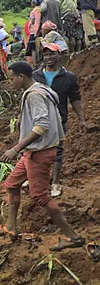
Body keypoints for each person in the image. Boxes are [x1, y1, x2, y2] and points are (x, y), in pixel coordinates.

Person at [0, 61, 84, 251]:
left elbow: (41, 126)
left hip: (39, 152)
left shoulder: (35, 96)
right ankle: (11, 227)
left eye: (12, 77)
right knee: (12, 185)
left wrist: (15, 148)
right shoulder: (40, 89)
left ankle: (73, 237)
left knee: (40, 196)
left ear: (21, 77)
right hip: (33, 151)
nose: (10, 82)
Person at [32, 44, 87, 198]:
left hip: (59, 119)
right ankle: (38, 179)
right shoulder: (36, 76)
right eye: (46, 55)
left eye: (52, 54)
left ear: (59, 55)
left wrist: (81, 119)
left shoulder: (68, 77)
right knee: (36, 149)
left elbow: (75, 98)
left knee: (57, 151)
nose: (49, 58)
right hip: (38, 119)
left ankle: (55, 182)